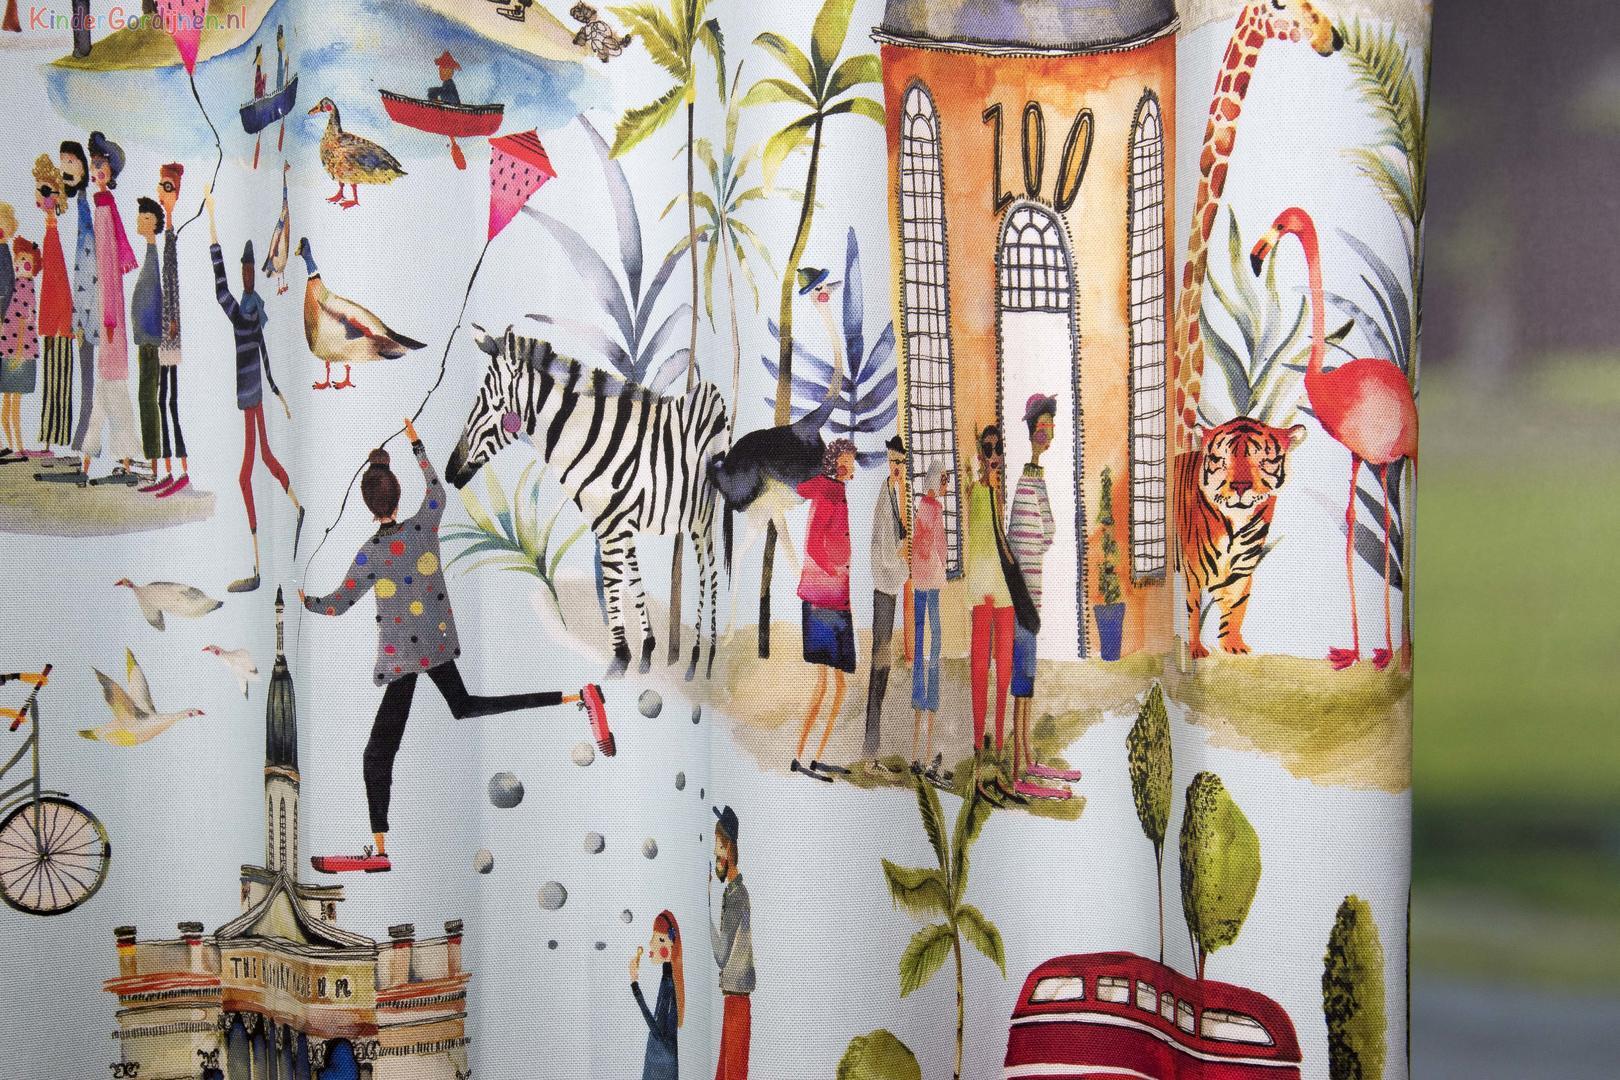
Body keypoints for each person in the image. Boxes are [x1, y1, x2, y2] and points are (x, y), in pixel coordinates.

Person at [301, 421, 610, 874]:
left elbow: (337, 605)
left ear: (369, 506)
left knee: (377, 754)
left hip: (404, 660)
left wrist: (305, 601)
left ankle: (379, 847)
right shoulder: (423, 525)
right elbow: (437, 491)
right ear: (396, 496)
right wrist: (416, 443)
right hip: (436, 644)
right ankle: (576, 696)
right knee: (463, 706)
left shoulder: (372, 553)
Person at [206, 187, 302, 591]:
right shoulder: (248, 310)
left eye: (249, 270)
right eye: (244, 269)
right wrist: (212, 223)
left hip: (252, 397)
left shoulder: (249, 311)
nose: (247, 274)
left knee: (246, 474)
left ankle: (259, 565)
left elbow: (263, 355)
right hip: (253, 396)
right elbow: (221, 289)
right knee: (262, 459)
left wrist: (277, 392)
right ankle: (296, 509)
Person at [961, 424, 1038, 803]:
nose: (994, 456)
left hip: (1004, 594)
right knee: (980, 674)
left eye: (998, 450)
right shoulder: (976, 492)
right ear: (981, 454)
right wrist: (977, 475)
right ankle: (979, 764)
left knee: (1004, 674)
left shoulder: (996, 495)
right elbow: (981, 542)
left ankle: (1000, 766)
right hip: (983, 593)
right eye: (988, 449)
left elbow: (1001, 546)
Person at [1005, 394, 1074, 800]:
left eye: (1051, 426)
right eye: (1042, 426)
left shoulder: (1035, 479)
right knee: (1022, 682)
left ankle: (1028, 758)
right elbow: (1030, 539)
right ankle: (1018, 769)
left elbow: (1048, 532)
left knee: (1027, 682)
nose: (1048, 433)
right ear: (1033, 431)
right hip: (1024, 603)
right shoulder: (1024, 485)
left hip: (1034, 599)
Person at [78, 132, 142, 486]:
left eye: (100, 165)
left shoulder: (105, 207)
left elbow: (107, 264)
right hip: (108, 311)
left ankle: (122, 462)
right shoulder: (103, 204)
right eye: (94, 165)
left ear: (110, 171)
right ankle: (94, 461)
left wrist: (107, 316)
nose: (95, 170)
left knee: (113, 392)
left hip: (110, 315)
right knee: (106, 394)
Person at [792, 438, 858, 782]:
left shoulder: (838, 492)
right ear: (835, 464)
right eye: (847, 461)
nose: (851, 467)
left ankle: (818, 756)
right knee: (822, 685)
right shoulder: (827, 493)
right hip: (823, 600)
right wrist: (835, 567)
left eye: (852, 461)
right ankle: (799, 756)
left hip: (838, 599)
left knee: (839, 686)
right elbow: (814, 544)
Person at [863, 434, 909, 760]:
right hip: (884, 589)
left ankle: (873, 742)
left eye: (901, 463)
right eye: (894, 461)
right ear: (887, 461)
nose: (898, 467)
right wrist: (903, 557)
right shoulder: (885, 496)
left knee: (884, 664)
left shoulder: (895, 493)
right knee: (880, 665)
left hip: (890, 588)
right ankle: (871, 743)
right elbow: (883, 550)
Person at [146, 163, 187, 494]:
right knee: (164, 400)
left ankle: (178, 470)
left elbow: (172, 283)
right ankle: (169, 469)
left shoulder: (171, 238)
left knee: (167, 401)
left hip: (169, 333)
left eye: (167, 187)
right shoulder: (168, 237)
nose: (162, 192)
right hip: (167, 330)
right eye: (161, 186)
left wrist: (172, 321)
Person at [32, 155, 75, 456]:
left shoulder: (54, 235)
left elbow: (59, 282)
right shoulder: (50, 234)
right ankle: (50, 440)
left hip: (59, 320)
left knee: (58, 379)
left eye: (45, 191)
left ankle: (54, 441)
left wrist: (61, 320)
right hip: (53, 318)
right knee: (53, 378)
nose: (40, 196)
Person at [910, 463, 948, 774]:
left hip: (918, 582)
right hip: (932, 581)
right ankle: (925, 749)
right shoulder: (935, 508)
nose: (946, 485)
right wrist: (943, 567)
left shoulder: (919, 507)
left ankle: (915, 751)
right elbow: (941, 547)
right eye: (944, 480)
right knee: (935, 643)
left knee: (921, 641)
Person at [710, 806, 753, 1080]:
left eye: (717, 849)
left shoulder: (737, 895)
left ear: (727, 848)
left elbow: (721, 954)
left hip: (738, 1000)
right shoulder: (733, 891)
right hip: (733, 999)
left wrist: (705, 905)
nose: (715, 858)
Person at [61, 141, 97, 463]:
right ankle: (83, 443)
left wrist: (82, 319)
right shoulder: (80, 204)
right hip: (83, 310)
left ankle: (87, 444)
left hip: (91, 312)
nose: (65, 168)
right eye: (64, 163)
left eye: (70, 161)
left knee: (92, 381)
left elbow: (89, 265)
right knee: (87, 379)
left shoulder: (88, 207)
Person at [129, 196, 163, 482]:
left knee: (147, 398)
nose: (140, 221)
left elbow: (154, 300)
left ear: (154, 223)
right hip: (146, 340)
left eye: (146, 218)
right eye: (141, 217)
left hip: (150, 342)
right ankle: (151, 458)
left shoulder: (153, 258)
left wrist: (148, 335)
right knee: (146, 397)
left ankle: (153, 461)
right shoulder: (150, 257)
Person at [630, 910, 684, 1080]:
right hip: (659, 1063)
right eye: (653, 938)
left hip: (661, 1067)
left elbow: (657, 1032)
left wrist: (635, 987)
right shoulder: (667, 980)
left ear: (671, 945)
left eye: (659, 939)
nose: (651, 944)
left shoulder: (670, 985)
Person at [0, 237, 39, 461]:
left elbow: (24, 321)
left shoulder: (26, 286)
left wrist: (17, 351)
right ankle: (13, 446)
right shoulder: (17, 285)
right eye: (19, 258)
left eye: (26, 260)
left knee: (12, 403)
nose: (20, 263)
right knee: (9, 403)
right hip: (12, 350)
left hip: (18, 351)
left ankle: (16, 446)